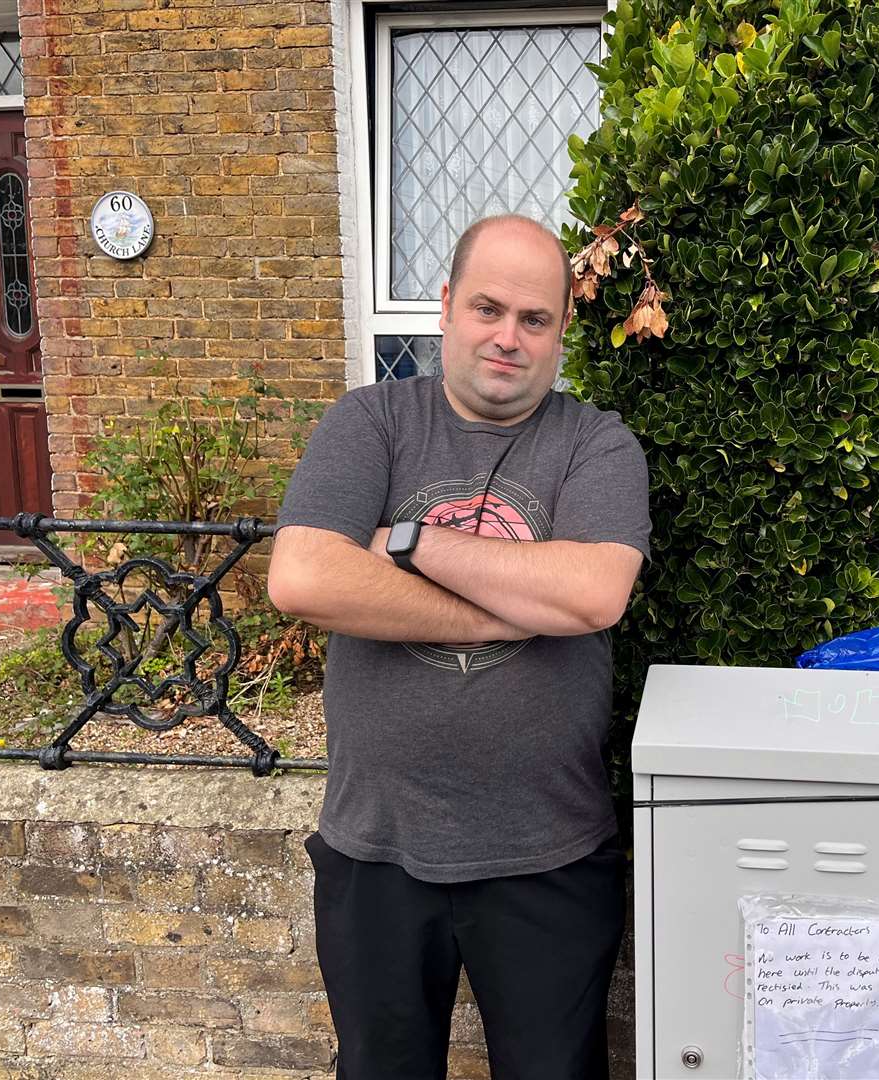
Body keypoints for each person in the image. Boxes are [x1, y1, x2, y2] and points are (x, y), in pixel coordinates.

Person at [267, 213, 651, 1079]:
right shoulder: (372, 421)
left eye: (535, 319)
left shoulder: (596, 442)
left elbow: (593, 592)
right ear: (444, 307)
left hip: (549, 854)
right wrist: (502, 608)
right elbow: (303, 577)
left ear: (561, 332)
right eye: (487, 308)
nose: (508, 337)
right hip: (377, 851)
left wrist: (407, 543)